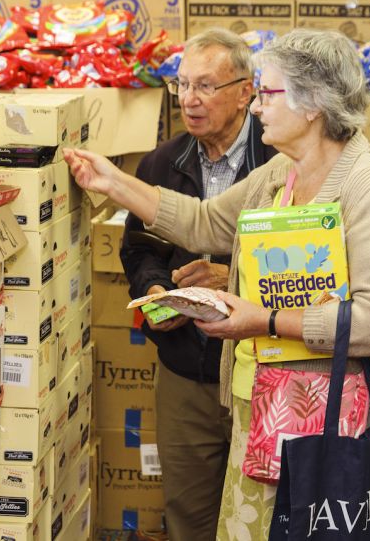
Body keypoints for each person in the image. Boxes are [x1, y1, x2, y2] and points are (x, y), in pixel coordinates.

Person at [65, 29, 370, 541]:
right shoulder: (281, 173)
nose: (256, 108)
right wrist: (113, 182)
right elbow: (205, 223)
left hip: (335, 420)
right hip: (267, 413)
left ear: (313, 103)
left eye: (269, 94)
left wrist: (264, 321)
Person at [120, 28, 275, 541]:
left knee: (266, 514)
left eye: (206, 86)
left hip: (262, 371)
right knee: (187, 512)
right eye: (182, 84)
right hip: (184, 368)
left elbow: (311, 267)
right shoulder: (161, 163)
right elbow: (140, 247)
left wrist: (236, 280)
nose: (189, 99)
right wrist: (160, 289)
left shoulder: (279, 166)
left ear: (246, 91)